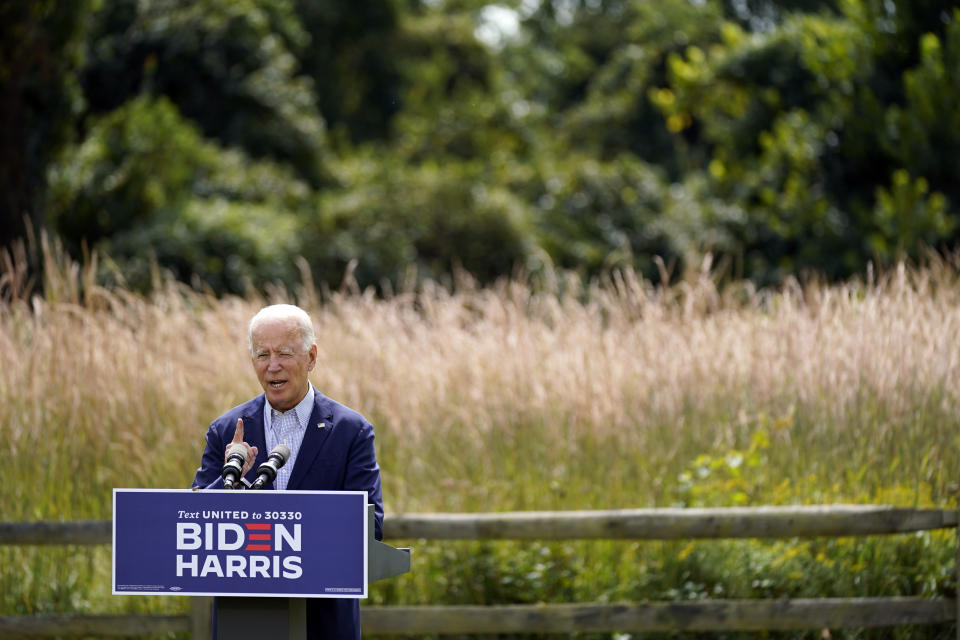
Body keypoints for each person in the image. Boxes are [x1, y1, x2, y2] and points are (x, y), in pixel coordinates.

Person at [192, 303, 384, 639]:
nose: (273, 366)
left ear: (311, 357)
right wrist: (229, 482)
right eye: (262, 354)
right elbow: (192, 522)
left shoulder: (350, 430)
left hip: (324, 623)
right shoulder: (227, 431)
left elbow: (371, 526)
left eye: (284, 353)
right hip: (245, 622)